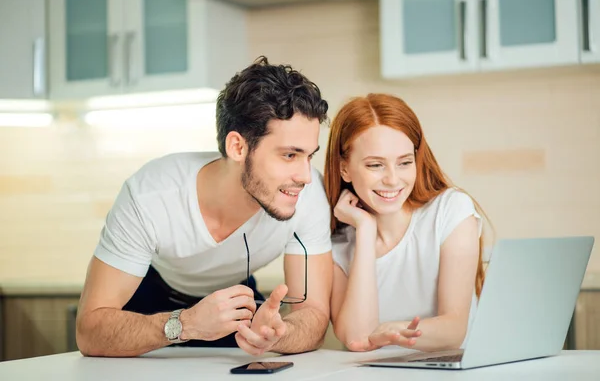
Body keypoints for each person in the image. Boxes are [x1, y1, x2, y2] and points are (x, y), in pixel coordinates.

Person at [76, 56, 333, 357]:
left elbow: (314, 314)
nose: (305, 176)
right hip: (151, 302)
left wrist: (278, 335)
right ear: (237, 147)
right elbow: (89, 330)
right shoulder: (151, 195)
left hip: (236, 299)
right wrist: (187, 324)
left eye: (309, 156)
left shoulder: (308, 194)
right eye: (289, 155)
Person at [324, 93, 491, 352]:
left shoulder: (451, 211)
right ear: (344, 168)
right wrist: (366, 231)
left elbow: (454, 330)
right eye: (376, 165)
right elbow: (357, 339)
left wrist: (390, 331)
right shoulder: (337, 246)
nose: (393, 179)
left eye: (404, 163)